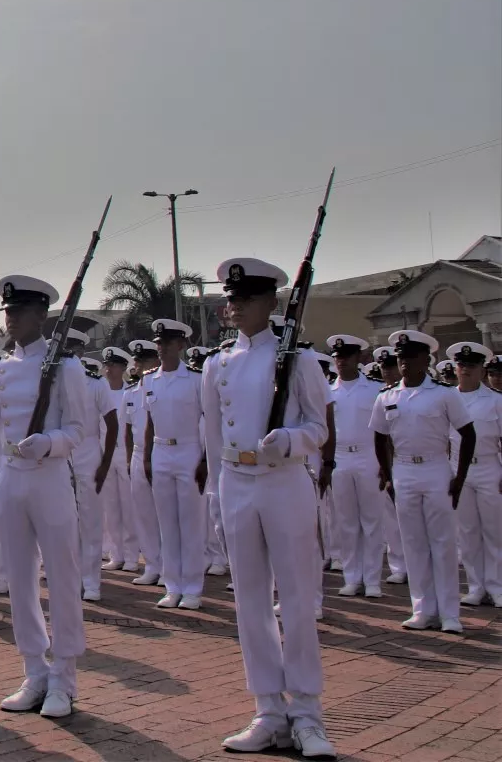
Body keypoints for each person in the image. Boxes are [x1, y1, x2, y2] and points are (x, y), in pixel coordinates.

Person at [202, 257, 337, 759]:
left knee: (296, 599)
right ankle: (268, 711)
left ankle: (308, 713)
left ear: (272, 302)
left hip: (283, 481)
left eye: (246, 299)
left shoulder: (299, 359)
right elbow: (212, 435)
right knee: (250, 602)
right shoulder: (216, 364)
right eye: (231, 299)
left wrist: (292, 439)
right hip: (236, 482)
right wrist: (216, 496)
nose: (235, 307)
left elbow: (319, 429)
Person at [0, 275, 86, 719]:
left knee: (61, 576)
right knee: (19, 579)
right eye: (8, 311)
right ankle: (34, 670)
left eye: (20, 311)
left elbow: (80, 430)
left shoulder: (65, 366)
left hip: (49, 477)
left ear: (41, 315)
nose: (11, 318)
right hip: (11, 478)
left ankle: (64, 676)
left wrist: (50, 442)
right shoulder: (0, 369)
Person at [372, 330, 475, 633]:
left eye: (411, 357)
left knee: (442, 543)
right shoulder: (387, 396)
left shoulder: (444, 394)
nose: (404, 363)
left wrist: (459, 477)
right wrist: (387, 475)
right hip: (404, 470)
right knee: (413, 543)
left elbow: (468, 434)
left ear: (425, 360)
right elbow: (379, 436)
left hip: (435, 468)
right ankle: (422, 609)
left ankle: (450, 613)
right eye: (400, 358)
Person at [141, 319, 207, 610]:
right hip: (161, 450)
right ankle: (172, 586)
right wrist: (146, 457)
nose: (162, 348)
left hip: (189, 450)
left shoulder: (195, 379)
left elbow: (209, 421)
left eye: (167, 343)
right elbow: (149, 422)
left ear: (180, 345)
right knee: (166, 524)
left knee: (190, 524)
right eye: (159, 343)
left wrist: (205, 458)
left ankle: (192, 589)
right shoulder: (149, 379)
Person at [326, 335, 384, 598]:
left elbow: (385, 430)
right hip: (340, 457)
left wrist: (385, 463)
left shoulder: (374, 389)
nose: (341, 361)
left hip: (368, 455)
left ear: (358, 357)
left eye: (346, 356)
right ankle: (352, 577)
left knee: (371, 520)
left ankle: (372, 580)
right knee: (346, 521)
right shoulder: (328, 391)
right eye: (337, 357)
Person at [448, 342, 501, 606]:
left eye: (472, 365)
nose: (466, 370)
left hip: (489, 467)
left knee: (494, 530)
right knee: (467, 531)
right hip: (458, 470)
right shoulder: (446, 398)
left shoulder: (496, 400)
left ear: (482, 369)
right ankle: (476, 586)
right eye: (462, 365)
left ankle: (497, 586)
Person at [63, 324, 108, 602]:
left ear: (80, 351)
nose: (67, 353)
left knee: (90, 520)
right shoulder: (52, 379)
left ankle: (91, 582)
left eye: (72, 348)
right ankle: (68, 575)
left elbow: (112, 422)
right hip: (61, 453)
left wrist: (105, 462)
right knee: (63, 520)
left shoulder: (96, 382)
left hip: (88, 451)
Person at [125, 338, 164, 587]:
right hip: (139, 454)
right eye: (137, 361)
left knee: (164, 515)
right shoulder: (129, 393)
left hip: (161, 451)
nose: (139, 365)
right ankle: (152, 565)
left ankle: (169, 568)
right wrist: (130, 459)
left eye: (145, 360)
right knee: (144, 514)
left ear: (156, 361)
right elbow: (127, 432)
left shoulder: (160, 386)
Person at [97, 348, 136, 573]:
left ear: (123, 368)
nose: (108, 369)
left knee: (129, 507)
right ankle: (116, 554)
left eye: (113, 365)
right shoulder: (100, 392)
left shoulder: (131, 392)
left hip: (125, 453)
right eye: (107, 365)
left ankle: (131, 556)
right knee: (110, 507)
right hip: (105, 454)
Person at [375, 346, 409, 584]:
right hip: (390, 463)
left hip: (410, 462)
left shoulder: (410, 394)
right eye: (383, 368)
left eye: (391, 367)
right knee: (391, 518)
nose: (387, 372)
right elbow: (379, 436)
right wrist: (383, 467)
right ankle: (398, 566)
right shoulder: (383, 395)